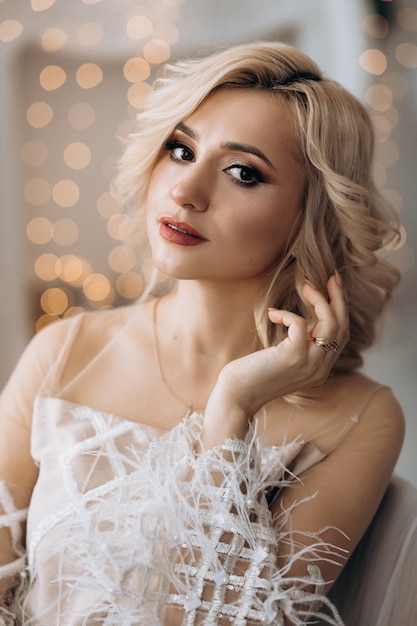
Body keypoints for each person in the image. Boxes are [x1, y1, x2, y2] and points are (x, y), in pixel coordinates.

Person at [0, 41, 405, 625]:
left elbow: (228, 619)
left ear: (310, 213)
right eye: (181, 149)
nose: (186, 192)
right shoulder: (65, 350)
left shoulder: (361, 416)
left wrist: (232, 409)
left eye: (243, 172)